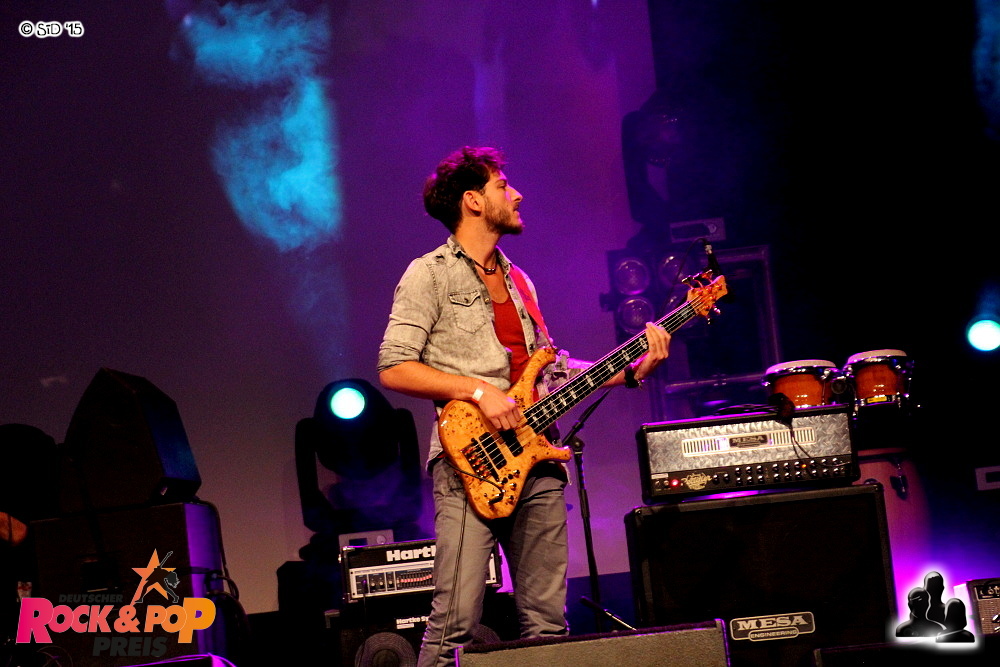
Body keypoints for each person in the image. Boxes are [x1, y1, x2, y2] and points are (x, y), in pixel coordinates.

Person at [377, 146, 671, 666]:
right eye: (502, 186)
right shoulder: (429, 274)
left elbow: (550, 371)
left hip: (537, 461)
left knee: (547, 626)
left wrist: (630, 370)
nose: (516, 195)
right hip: (468, 463)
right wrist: (477, 391)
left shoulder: (521, 282)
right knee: (454, 626)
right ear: (473, 201)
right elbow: (394, 367)